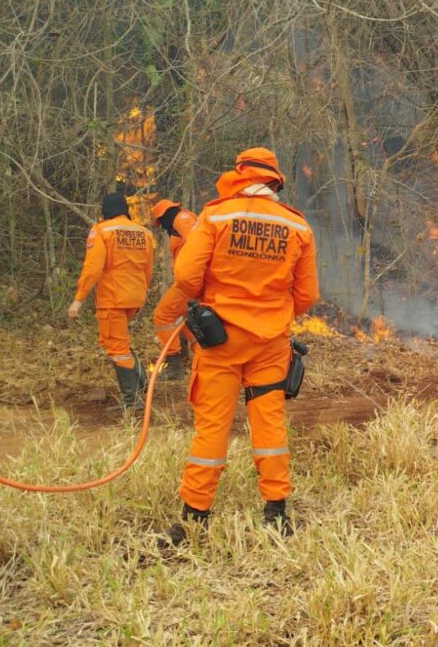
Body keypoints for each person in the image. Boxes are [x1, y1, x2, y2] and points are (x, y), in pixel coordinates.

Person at [166, 147, 319, 542]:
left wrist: (208, 303)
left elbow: (185, 276)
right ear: (274, 181)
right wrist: (274, 312)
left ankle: (194, 516)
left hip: (221, 341)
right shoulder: (297, 226)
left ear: (239, 175)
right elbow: (307, 296)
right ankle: (276, 512)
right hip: (270, 344)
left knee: (213, 426)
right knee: (268, 422)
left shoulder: (216, 215)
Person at [68, 192, 156, 411]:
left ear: (105, 210)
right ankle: (142, 384)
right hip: (135, 296)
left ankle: (132, 400)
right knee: (120, 342)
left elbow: (93, 268)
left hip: (113, 298)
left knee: (116, 346)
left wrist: (78, 300)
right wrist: (142, 290)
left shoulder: (101, 231)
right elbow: (148, 268)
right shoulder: (143, 232)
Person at [150, 197, 200, 379]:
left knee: (162, 315)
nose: (162, 228)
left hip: (190, 282)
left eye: (161, 223)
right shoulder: (184, 220)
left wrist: (191, 274)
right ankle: (202, 358)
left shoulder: (182, 219)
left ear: (165, 216)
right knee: (185, 319)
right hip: (192, 279)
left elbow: (198, 243)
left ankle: (174, 366)